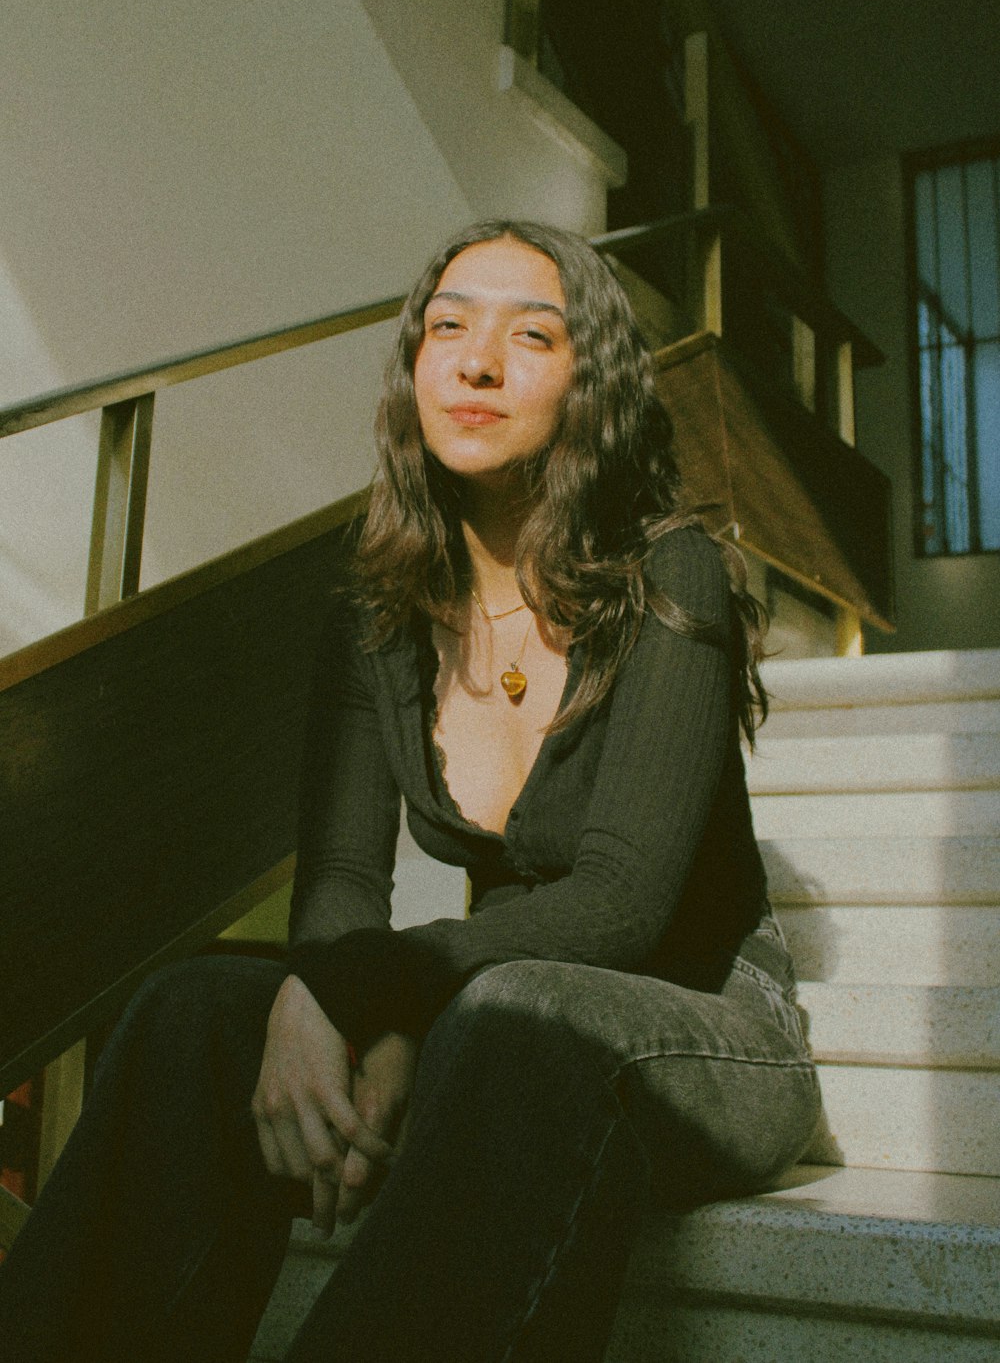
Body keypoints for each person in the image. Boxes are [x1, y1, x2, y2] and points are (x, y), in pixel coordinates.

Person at [0, 219, 821, 1362]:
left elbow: (620, 906)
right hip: (487, 1010)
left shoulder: (666, 571)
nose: (476, 361)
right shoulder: (377, 604)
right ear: (413, 368)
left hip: (700, 1029)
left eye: (530, 335)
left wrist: (357, 996)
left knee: (526, 1005)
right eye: (447, 326)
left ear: (592, 385)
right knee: (194, 1011)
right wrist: (358, 1008)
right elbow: (341, 874)